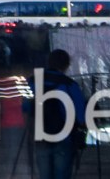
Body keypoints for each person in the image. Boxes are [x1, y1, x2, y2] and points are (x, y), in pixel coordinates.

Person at [36, 48, 84, 179]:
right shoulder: (70, 84)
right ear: (66, 65)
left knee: (44, 175)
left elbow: (25, 108)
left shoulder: (34, 81)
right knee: (61, 174)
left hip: (40, 135)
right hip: (64, 136)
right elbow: (81, 116)